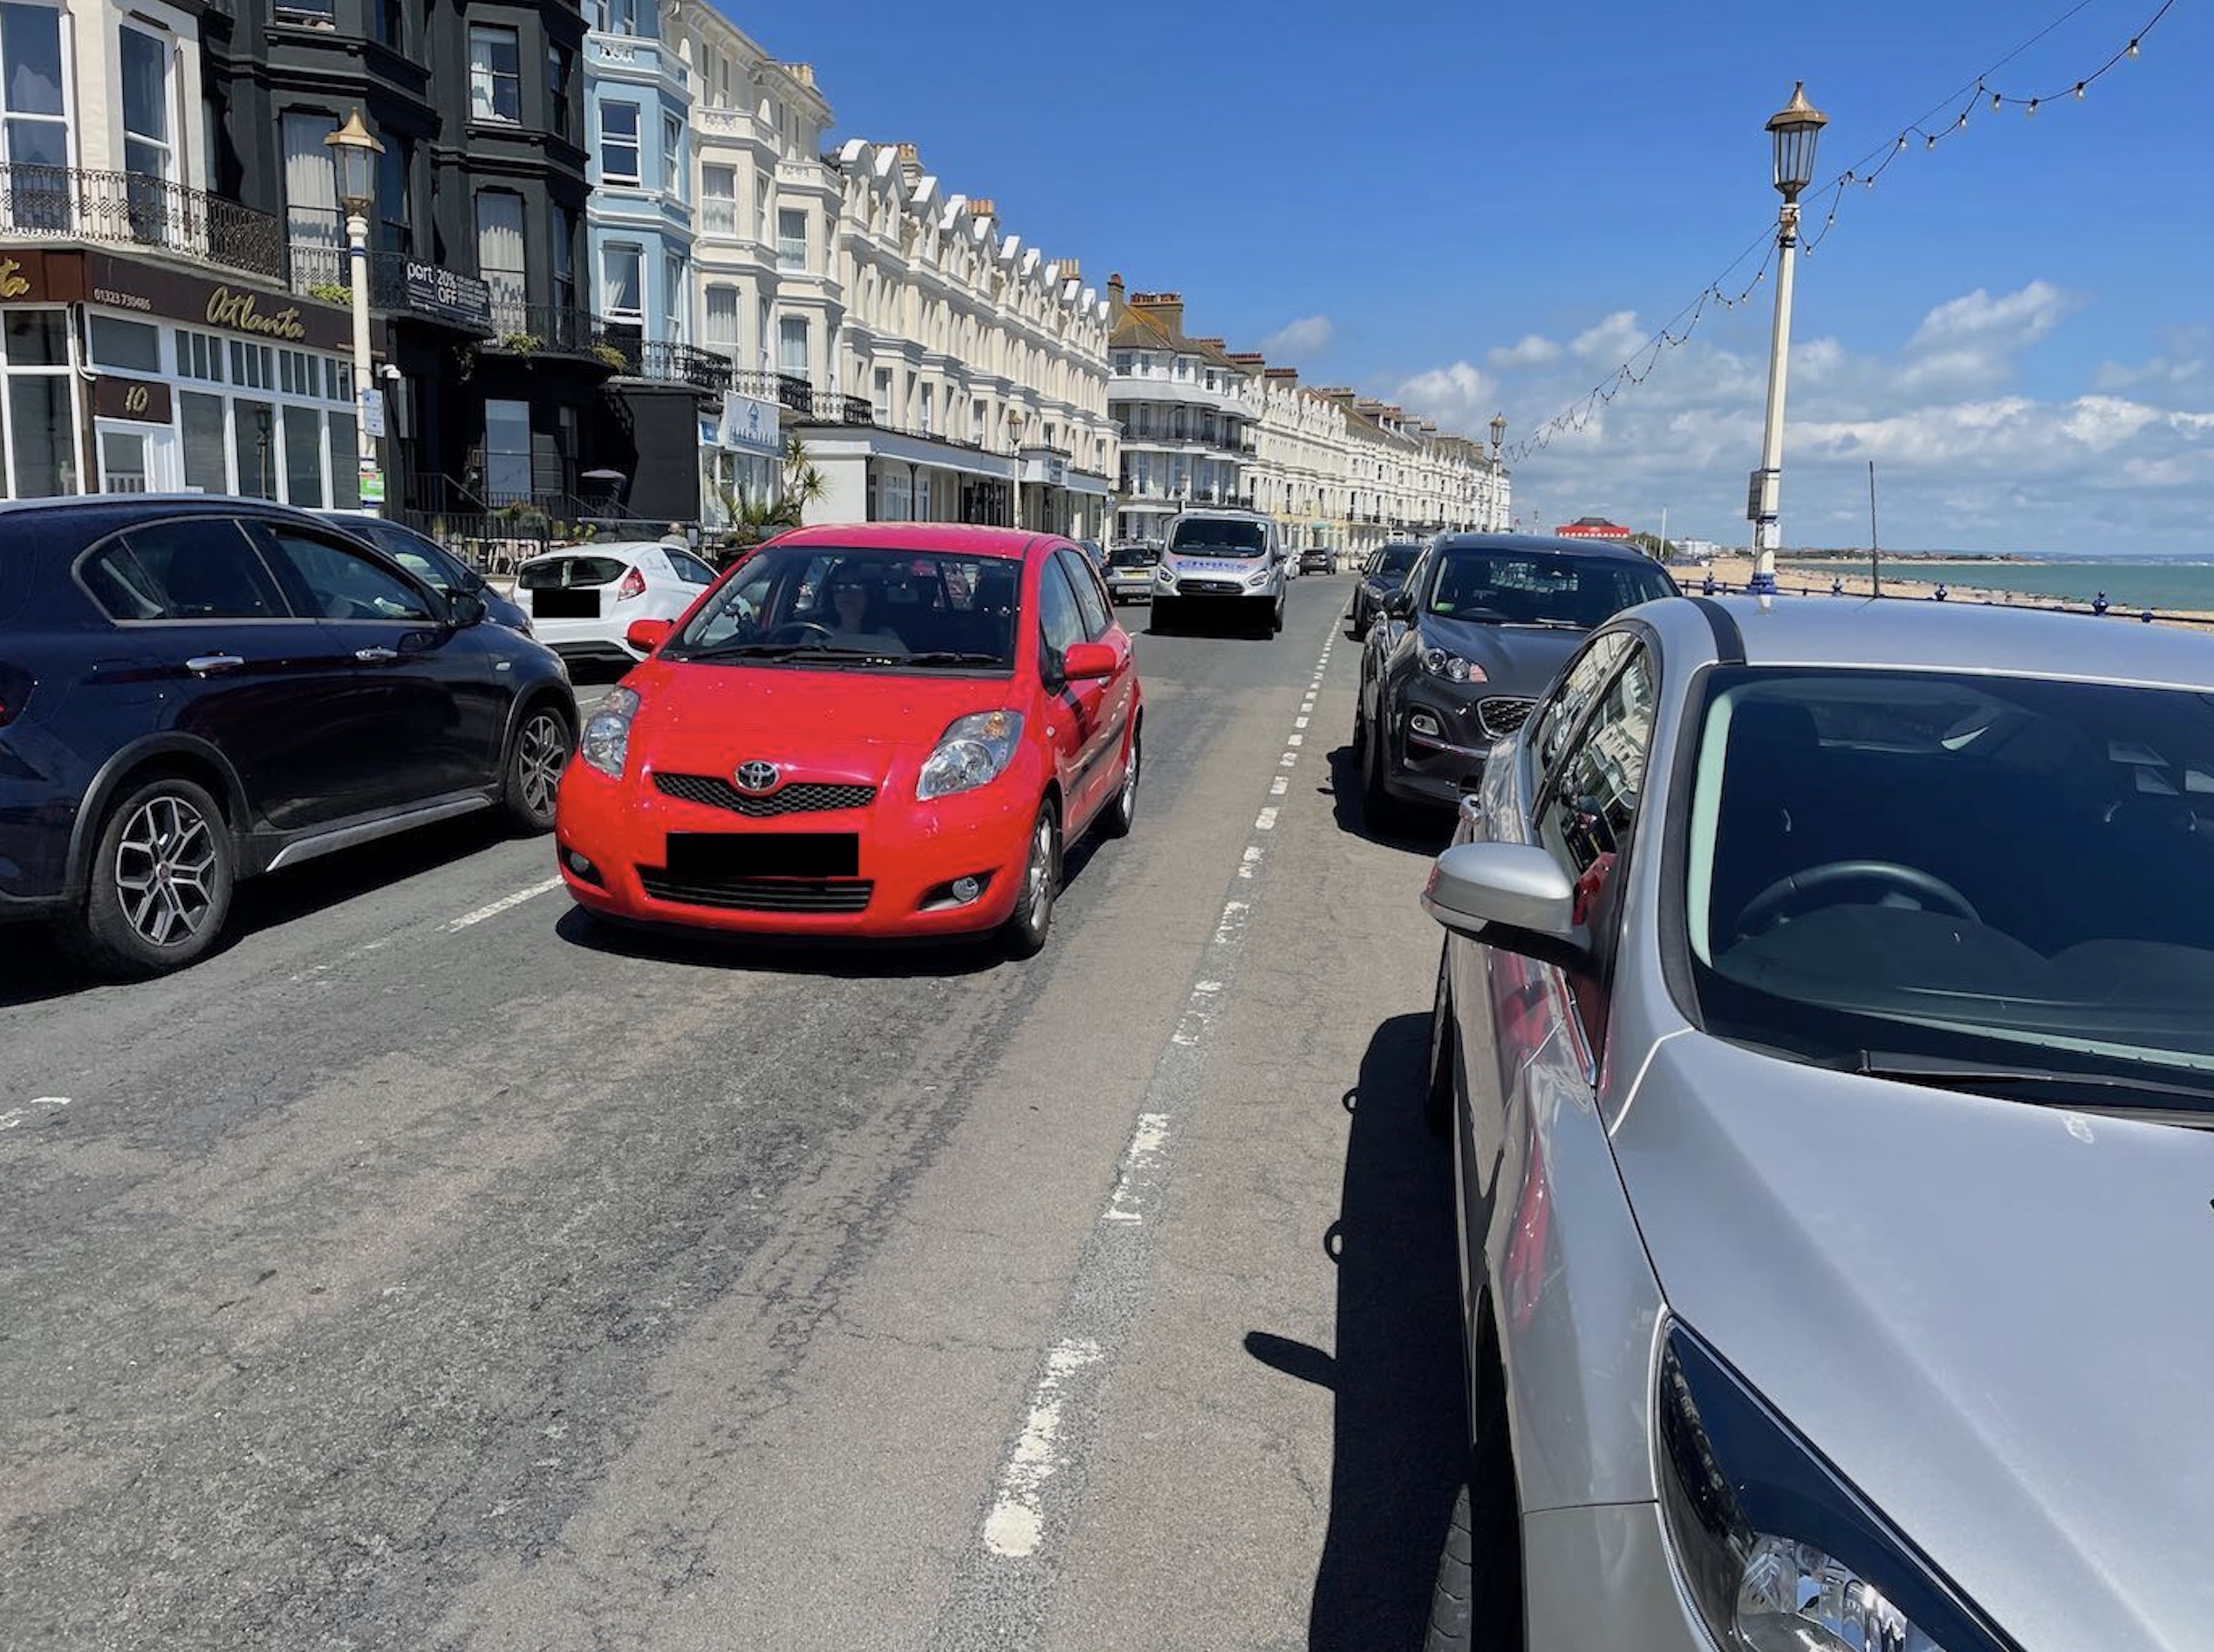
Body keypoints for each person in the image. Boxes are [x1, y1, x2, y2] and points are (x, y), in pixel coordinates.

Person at [817, 564, 907, 652]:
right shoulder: (818, 633)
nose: (846, 593)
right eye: (839, 587)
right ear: (831, 595)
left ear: (870, 594)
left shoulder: (887, 638)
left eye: (856, 586)